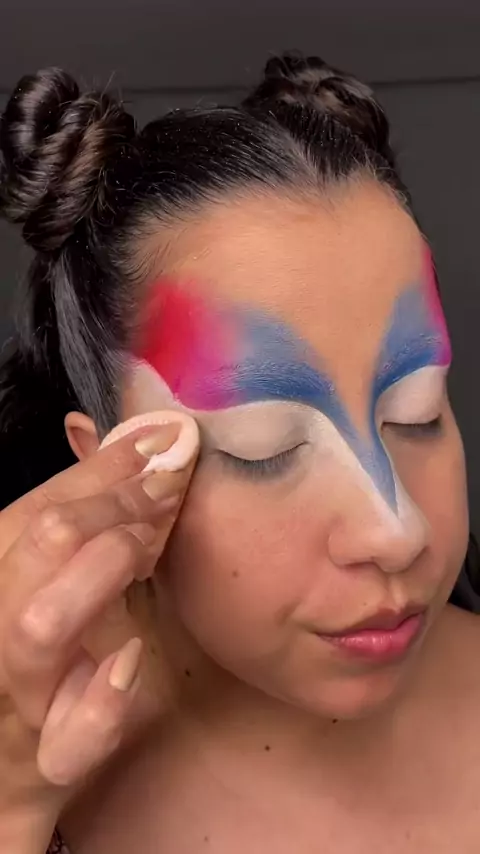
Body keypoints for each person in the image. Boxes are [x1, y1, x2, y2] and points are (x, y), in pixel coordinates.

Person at [0, 50, 479, 853]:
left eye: (416, 412)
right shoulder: (33, 765)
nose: (397, 533)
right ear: (110, 467)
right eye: (267, 446)